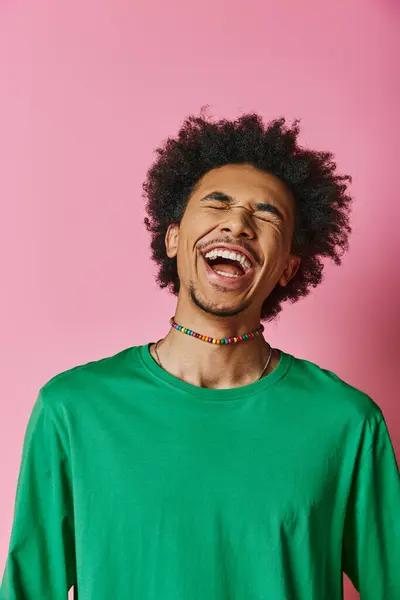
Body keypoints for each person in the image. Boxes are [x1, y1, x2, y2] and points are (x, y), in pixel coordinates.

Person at [1, 109, 399, 600]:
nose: (238, 223)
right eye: (218, 203)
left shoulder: (346, 423)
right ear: (173, 238)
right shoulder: (73, 410)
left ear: (288, 268)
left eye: (267, 214)